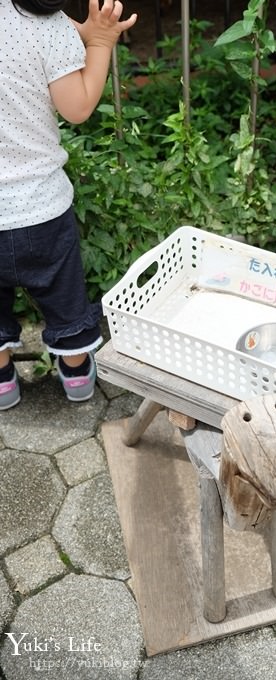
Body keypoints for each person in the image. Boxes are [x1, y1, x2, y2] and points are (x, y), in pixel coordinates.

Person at [0, 0, 137, 409]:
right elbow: (76, 107)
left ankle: (3, 382)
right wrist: (100, 42)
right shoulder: (48, 26)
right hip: (41, 208)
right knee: (63, 296)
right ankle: (76, 372)